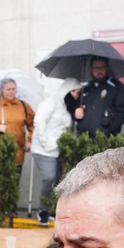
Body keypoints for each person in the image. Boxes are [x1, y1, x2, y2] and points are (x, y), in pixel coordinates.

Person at [27, 85, 72, 216]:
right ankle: (43, 211)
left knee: (59, 180)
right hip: (44, 150)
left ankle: (53, 211)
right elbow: (39, 121)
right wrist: (45, 143)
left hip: (58, 149)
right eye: (73, 91)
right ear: (66, 91)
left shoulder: (67, 106)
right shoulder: (51, 102)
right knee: (49, 177)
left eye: (78, 92)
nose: (75, 95)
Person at [65, 58, 124, 136]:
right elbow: (72, 105)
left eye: (102, 67)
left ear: (107, 68)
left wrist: (110, 129)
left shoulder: (117, 87)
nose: (99, 70)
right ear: (91, 69)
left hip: (105, 141)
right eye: (96, 68)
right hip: (84, 140)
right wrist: (75, 113)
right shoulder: (86, 89)